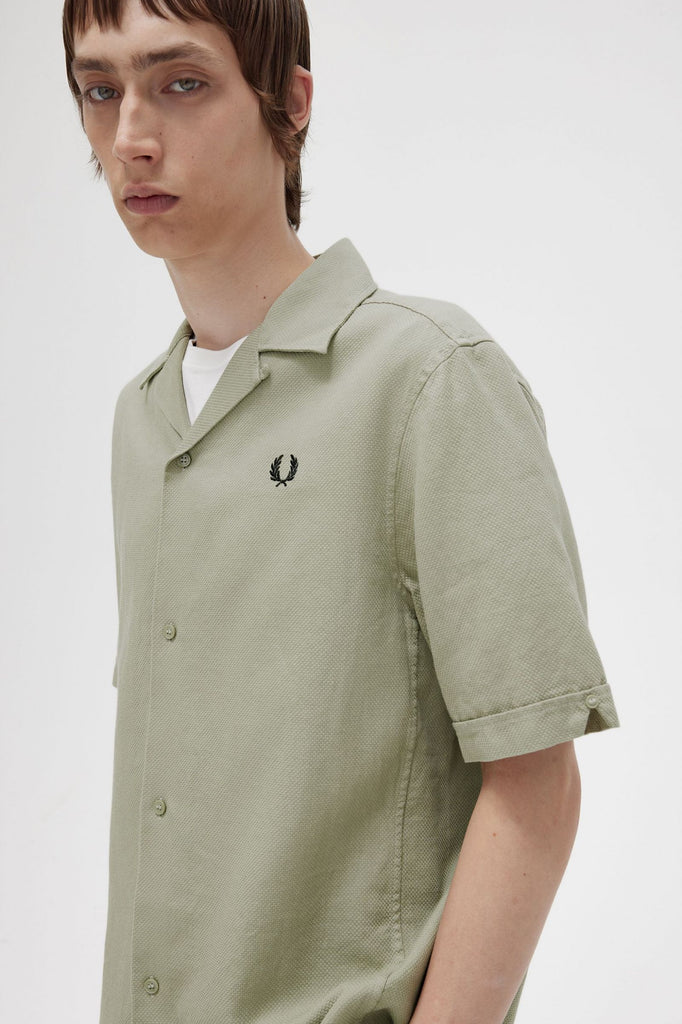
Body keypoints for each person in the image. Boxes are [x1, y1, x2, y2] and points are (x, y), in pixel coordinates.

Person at [62, 2, 621, 1022]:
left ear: (290, 103)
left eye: (181, 82)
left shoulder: (429, 379)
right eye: (100, 90)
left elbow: (537, 780)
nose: (130, 135)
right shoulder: (141, 420)